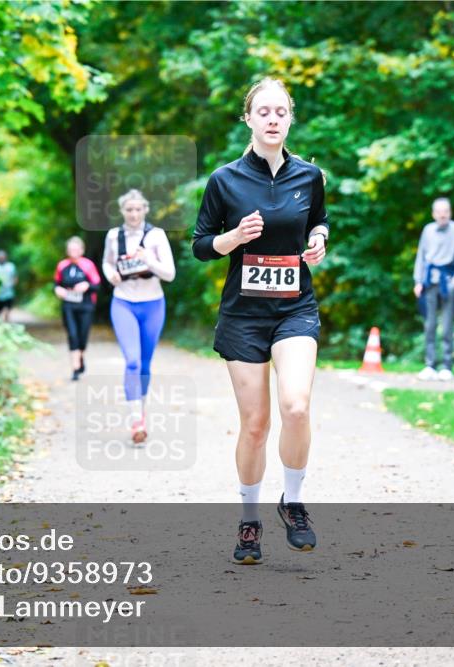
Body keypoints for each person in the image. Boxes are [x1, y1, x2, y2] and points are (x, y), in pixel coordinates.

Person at [193, 77, 329, 565]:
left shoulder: (309, 176)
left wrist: (318, 237)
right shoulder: (224, 180)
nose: (273, 119)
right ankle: (249, 521)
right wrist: (233, 238)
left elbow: (318, 218)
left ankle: (293, 503)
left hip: (294, 306)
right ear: (248, 119)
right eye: (263, 112)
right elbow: (201, 244)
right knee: (255, 424)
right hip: (243, 315)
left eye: (281, 112)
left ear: (290, 118)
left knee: (295, 407)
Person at [101, 189, 176, 443]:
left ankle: (140, 408)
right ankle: (136, 419)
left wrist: (149, 261)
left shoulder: (156, 236)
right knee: (131, 361)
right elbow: (107, 262)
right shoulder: (114, 236)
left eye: (138, 209)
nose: (133, 214)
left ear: (145, 210)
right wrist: (109, 273)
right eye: (128, 210)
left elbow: (170, 274)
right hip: (123, 303)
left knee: (144, 364)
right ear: (122, 211)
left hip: (153, 304)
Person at [412, 198, 454, 382]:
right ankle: (430, 365)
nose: (443, 214)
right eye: (439, 211)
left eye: (446, 211)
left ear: (450, 212)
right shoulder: (428, 230)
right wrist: (418, 281)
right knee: (429, 325)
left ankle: (447, 366)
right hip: (429, 282)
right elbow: (421, 256)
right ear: (434, 213)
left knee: (447, 326)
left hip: (449, 282)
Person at [54, 236, 101, 381]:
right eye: (71, 249)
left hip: (86, 305)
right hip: (68, 305)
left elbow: (97, 286)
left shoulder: (88, 265)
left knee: (82, 335)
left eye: (76, 249)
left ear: (82, 250)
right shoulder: (62, 266)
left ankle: (80, 358)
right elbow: (56, 284)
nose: (73, 252)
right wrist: (58, 290)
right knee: (72, 334)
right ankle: (75, 367)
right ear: (67, 251)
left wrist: (86, 286)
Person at [0, 249, 17, 322]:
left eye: (3, 257)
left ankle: (6, 320)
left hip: (8, 292)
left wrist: (12, 285)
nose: (1, 259)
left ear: (5, 257)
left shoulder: (11, 266)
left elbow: (15, 277)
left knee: (7, 308)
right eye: (0, 257)